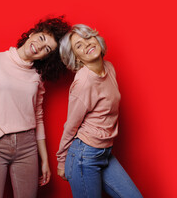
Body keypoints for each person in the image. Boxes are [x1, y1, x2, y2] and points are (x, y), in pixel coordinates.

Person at [0, 16, 70, 198]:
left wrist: (45, 159)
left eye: (47, 49)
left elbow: (37, 117)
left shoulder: (37, 77)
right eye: (41, 38)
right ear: (32, 33)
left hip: (27, 147)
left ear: (46, 56)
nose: (39, 47)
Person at [56, 24, 143, 198]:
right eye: (78, 46)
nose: (87, 44)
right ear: (77, 58)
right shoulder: (83, 82)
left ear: (96, 38)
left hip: (105, 152)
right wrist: (61, 160)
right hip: (84, 155)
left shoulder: (109, 67)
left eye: (88, 38)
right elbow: (71, 125)